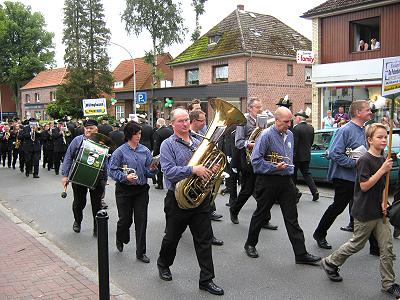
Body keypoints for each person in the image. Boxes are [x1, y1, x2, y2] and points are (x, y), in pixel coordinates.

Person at [320, 123, 400, 298]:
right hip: (364, 210)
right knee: (357, 243)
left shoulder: (383, 159)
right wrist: (382, 170)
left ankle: (388, 283)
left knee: (386, 247)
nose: (384, 140)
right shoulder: (364, 160)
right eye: (379, 137)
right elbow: (364, 186)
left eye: (385, 137)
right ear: (370, 140)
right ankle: (330, 261)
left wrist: (384, 202)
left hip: (379, 212)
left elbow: (383, 186)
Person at [157, 108, 224, 296]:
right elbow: (169, 172)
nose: (185, 124)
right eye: (180, 121)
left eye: (186, 120)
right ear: (173, 124)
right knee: (172, 238)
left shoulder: (198, 142)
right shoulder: (167, 145)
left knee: (204, 240)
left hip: (199, 199)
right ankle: (163, 264)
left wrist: (212, 168)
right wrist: (193, 170)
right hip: (177, 199)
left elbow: (205, 169)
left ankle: (207, 279)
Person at [244, 106, 321, 266]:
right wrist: (274, 167)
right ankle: (250, 244)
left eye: (290, 121)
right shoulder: (265, 136)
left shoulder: (290, 134)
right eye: (286, 121)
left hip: (286, 180)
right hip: (268, 180)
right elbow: (256, 162)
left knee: (292, 218)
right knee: (261, 214)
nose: (289, 124)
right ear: (277, 120)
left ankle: (301, 253)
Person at [313, 100, 379, 255]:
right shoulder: (345, 130)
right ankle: (319, 233)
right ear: (358, 113)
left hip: (359, 176)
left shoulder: (364, 130)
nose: (371, 112)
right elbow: (335, 153)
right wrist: (354, 163)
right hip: (344, 177)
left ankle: (375, 246)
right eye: (367, 110)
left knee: (367, 207)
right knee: (338, 206)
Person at [108, 121, 158, 263]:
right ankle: (120, 235)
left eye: (140, 133)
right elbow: (112, 170)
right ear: (129, 135)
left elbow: (148, 171)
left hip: (141, 190)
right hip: (124, 191)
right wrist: (125, 177)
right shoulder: (120, 151)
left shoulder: (145, 150)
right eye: (136, 133)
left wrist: (153, 170)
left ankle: (141, 252)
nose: (138, 136)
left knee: (141, 221)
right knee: (125, 219)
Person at [230, 98, 278, 230]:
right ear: (250, 108)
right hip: (248, 160)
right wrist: (254, 144)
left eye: (261, 106)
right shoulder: (243, 122)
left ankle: (264, 220)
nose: (260, 109)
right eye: (257, 107)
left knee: (264, 190)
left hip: (262, 158)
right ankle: (234, 210)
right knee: (247, 190)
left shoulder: (264, 119)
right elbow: (238, 142)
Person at [61, 119, 108, 236]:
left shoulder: (102, 141)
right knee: (79, 203)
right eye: (86, 128)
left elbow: (106, 160)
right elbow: (68, 157)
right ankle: (77, 221)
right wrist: (65, 175)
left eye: (91, 128)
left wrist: (105, 177)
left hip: (98, 177)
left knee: (97, 204)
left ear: (96, 129)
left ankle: (97, 228)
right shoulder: (77, 140)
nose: (88, 130)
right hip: (79, 176)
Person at [189, 110, 224, 246]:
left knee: (204, 211)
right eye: (202, 121)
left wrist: (213, 167)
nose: (205, 123)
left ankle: (209, 236)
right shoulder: (191, 136)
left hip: (202, 178)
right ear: (194, 121)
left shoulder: (202, 135)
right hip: (188, 177)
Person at [292, 110, 319, 201]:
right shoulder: (311, 128)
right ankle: (315, 192)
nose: (295, 120)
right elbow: (311, 142)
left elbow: (295, 143)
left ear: (299, 118)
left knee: (293, 175)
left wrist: (293, 154)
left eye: (296, 118)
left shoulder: (296, 128)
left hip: (297, 157)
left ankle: (294, 194)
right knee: (307, 174)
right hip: (307, 155)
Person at [153, 118, 173, 189]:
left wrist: (154, 155)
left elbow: (157, 145)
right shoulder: (170, 131)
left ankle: (160, 184)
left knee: (159, 169)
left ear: (158, 125)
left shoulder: (158, 132)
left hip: (160, 153)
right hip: (170, 153)